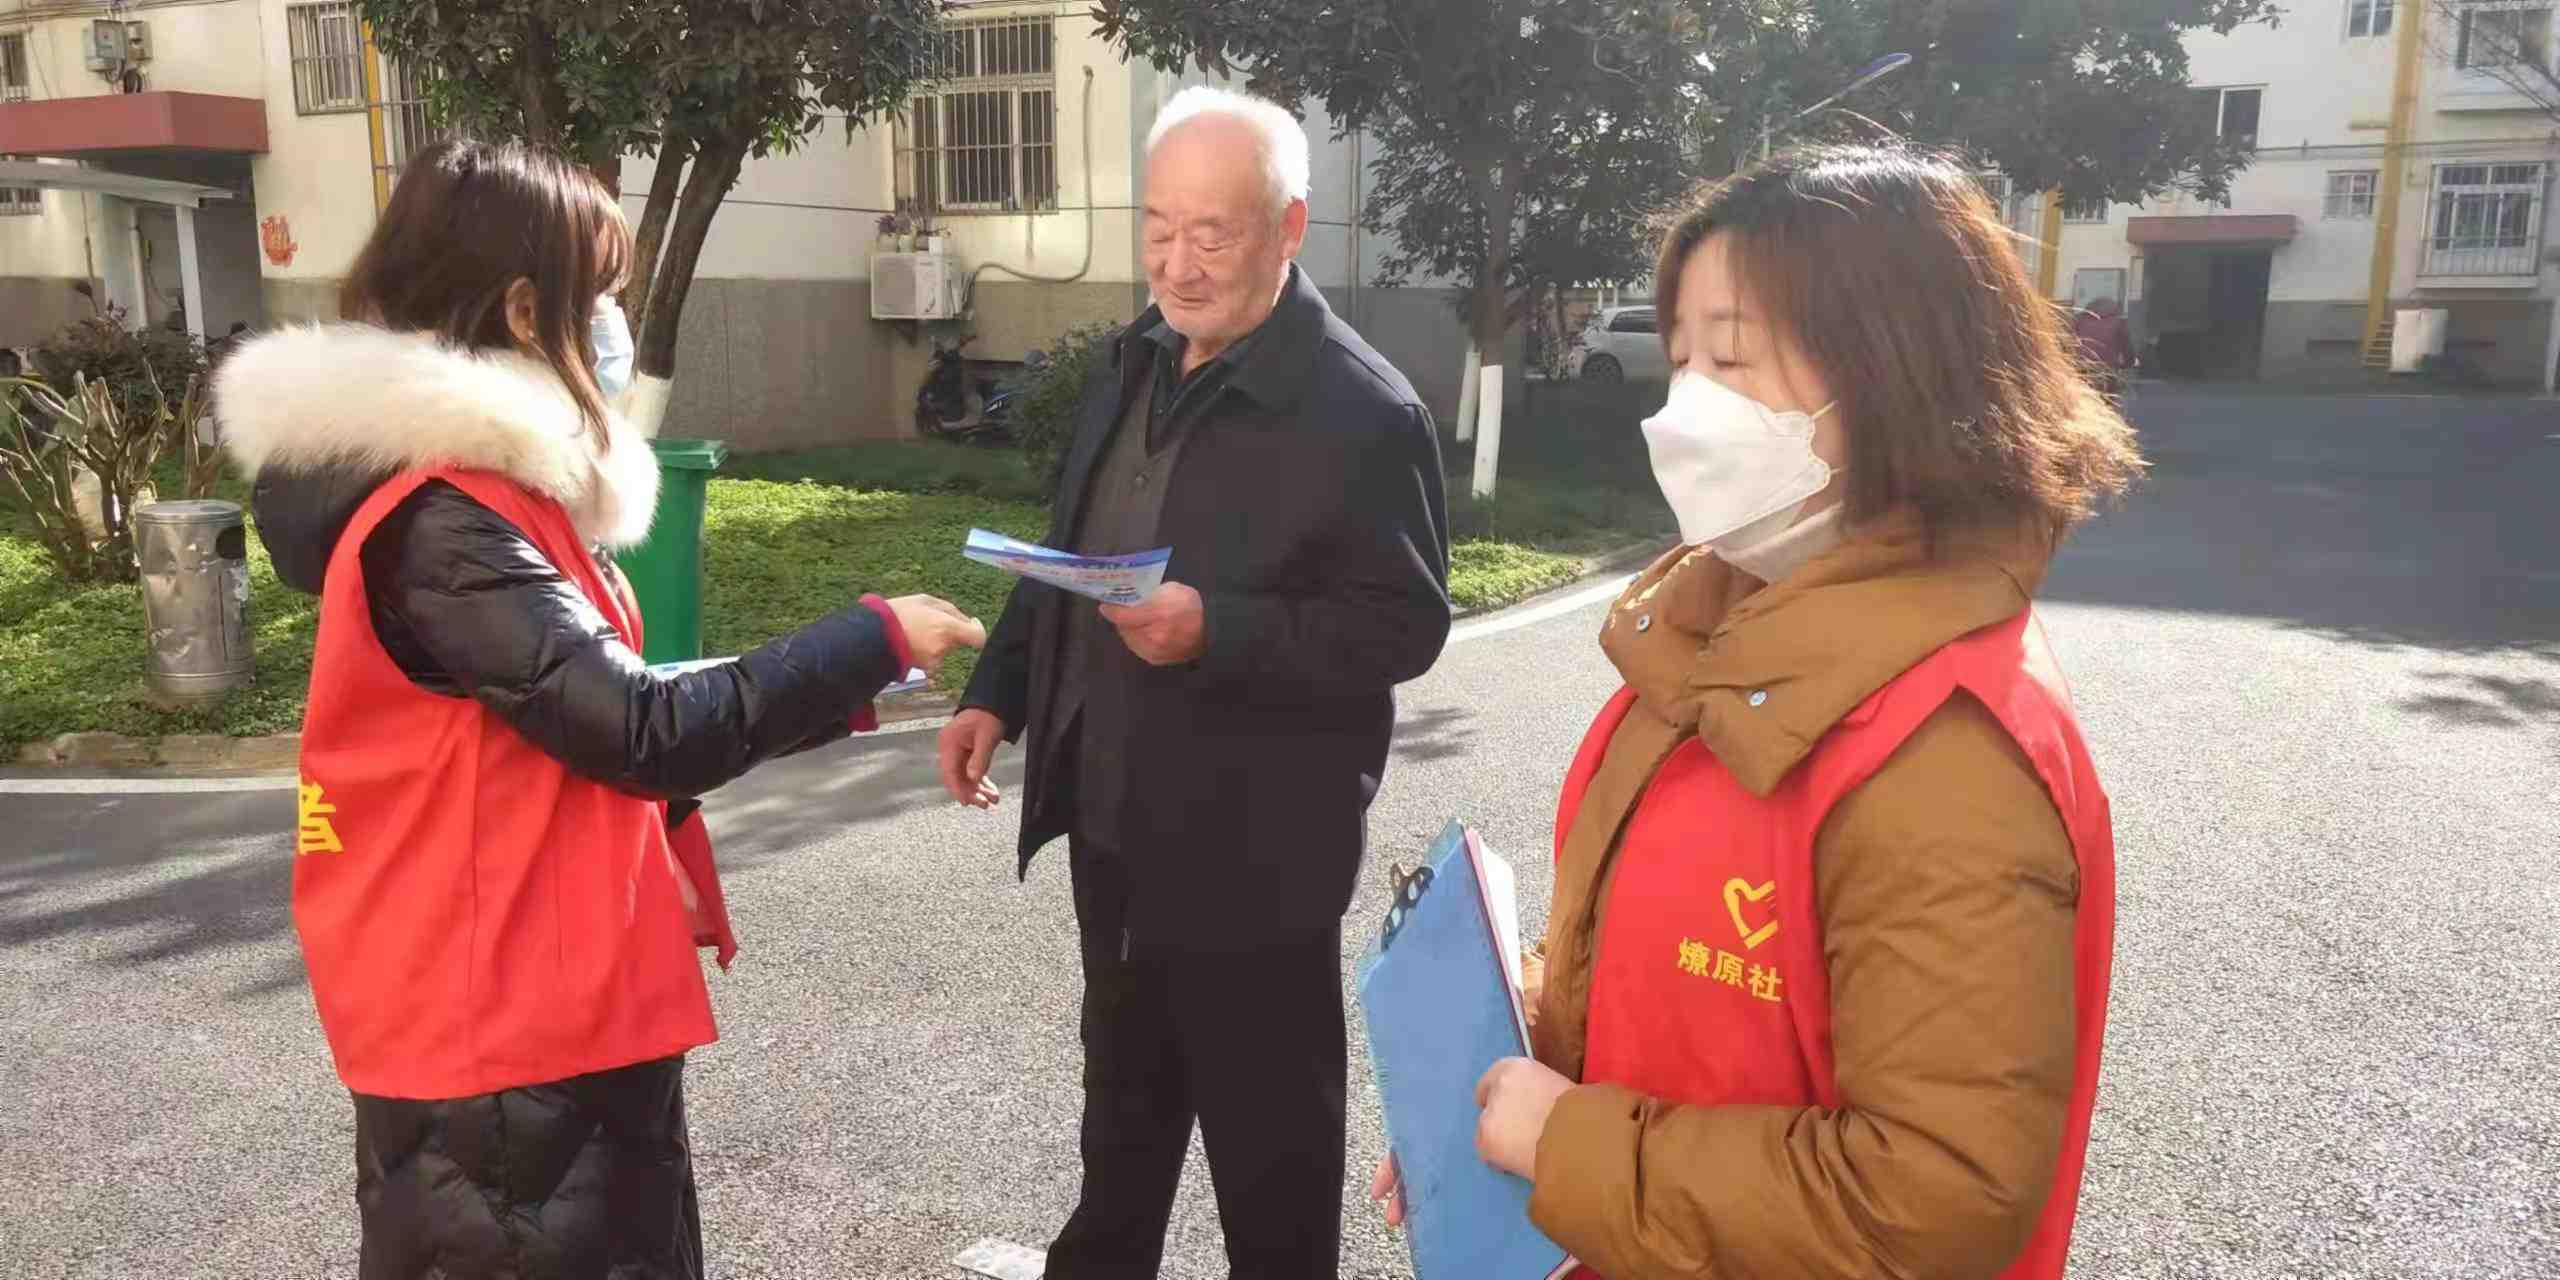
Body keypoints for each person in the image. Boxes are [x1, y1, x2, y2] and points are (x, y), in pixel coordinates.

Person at [215, 139, 985, 1280]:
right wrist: (866, 639)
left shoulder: (484, 498)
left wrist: (858, 682)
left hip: (529, 1014)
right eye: (604, 293)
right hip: (502, 1046)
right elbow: (634, 729)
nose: (614, 323)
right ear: (527, 309)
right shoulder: (445, 521)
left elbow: (592, 706)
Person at [1375, 144, 2139, 1279]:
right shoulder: (1713, 630)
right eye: (1681, 356)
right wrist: (1497, 1080)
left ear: (1892, 373)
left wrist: (1567, 1142)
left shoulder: (1947, 753)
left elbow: (1930, 1204)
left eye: (1730, 358)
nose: (1685, 408)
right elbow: (1658, 984)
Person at [937, 87, 1451, 1280]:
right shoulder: (1135, 358)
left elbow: (1402, 623)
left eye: (1210, 232)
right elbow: (1071, 545)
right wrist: (996, 693)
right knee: (1120, 1117)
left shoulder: (1362, 408)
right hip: (1114, 822)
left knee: (1271, 1160)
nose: (1177, 263)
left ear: (1288, 227)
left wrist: (1220, 628)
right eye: (1158, 227)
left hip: (1254, 854)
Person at [2072, 294, 2137, 401]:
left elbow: (2070, 343)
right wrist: (2128, 363)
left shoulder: (2080, 320)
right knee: (2108, 400)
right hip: (2106, 369)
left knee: (2082, 401)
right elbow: (2127, 347)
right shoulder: (2118, 322)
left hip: (2083, 367)